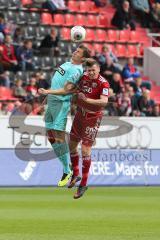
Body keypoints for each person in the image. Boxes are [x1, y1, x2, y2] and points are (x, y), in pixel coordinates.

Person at [38, 45, 91, 187]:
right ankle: (67, 166)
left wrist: (48, 92)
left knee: (58, 137)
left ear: (83, 58)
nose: (75, 51)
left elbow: (65, 91)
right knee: (50, 136)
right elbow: (57, 82)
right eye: (76, 50)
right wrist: (47, 98)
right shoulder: (67, 64)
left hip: (61, 104)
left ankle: (68, 170)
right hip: (51, 101)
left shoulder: (76, 71)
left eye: (79, 52)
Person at [68, 59, 109, 199]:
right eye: (89, 70)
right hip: (80, 115)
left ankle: (83, 184)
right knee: (71, 145)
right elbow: (73, 86)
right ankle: (75, 174)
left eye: (93, 70)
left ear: (99, 70)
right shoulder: (83, 77)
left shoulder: (103, 83)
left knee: (85, 149)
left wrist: (86, 100)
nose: (91, 73)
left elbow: (104, 101)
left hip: (93, 117)